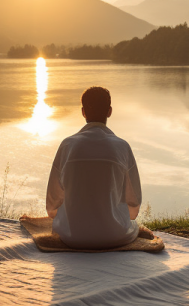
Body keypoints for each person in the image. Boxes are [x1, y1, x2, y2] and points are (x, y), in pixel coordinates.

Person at [44, 86, 143, 249]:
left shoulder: (67, 145)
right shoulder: (122, 147)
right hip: (115, 236)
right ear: (109, 111)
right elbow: (134, 203)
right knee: (133, 225)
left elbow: (52, 202)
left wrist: (63, 218)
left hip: (71, 236)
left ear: (83, 112)